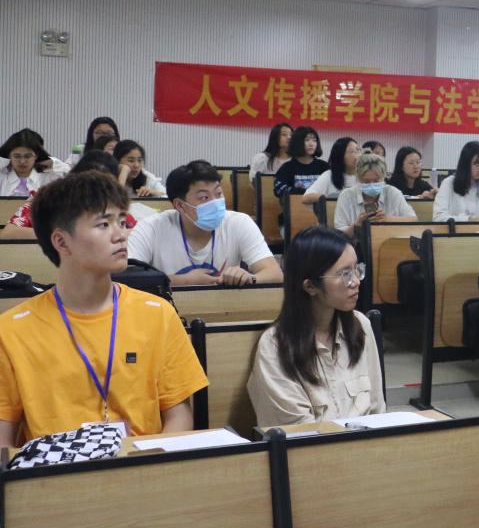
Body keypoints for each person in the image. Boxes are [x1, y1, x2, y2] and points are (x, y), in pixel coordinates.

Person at [0, 172, 208, 445]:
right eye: (103, 224)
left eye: (121, 222)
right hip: (54, 468)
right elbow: (3, 441)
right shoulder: (12, 330)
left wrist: (143, 463)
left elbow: (179, 416)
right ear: (61, 242)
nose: (121, 235)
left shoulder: (158, 313)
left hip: (142, 463)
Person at [247, 226, 385, 426]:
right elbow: (299, 432)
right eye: (345, 274)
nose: (356, 281)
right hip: (317, 445)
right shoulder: (275, 346)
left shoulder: (360, 325)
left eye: (357, 269)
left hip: (367, 441)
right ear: (310, 286)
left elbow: (377, 408)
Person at [128, 160, 281, 288]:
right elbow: (128, 278)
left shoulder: (239, 222)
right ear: (179, 205)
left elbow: (275, 273)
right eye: (204, 198)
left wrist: (250, 278)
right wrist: (184, 281)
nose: (215, 202)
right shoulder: (151, 228)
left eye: (218, 194)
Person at [2, 151, 142, 241]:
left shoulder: (112, 209)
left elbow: (140, 233)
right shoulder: (45, 201)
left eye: (104, 186)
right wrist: (64, 236)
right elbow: (7, 233)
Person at [332, 153, 415, 237]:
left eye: (376, 181)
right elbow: (338, 233)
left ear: (383, 177)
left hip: (389, 241)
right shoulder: (346, 196)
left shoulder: (393, 192)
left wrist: (388, 219)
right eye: (366, 182)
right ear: (358, 179)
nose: (372, 185)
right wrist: (357, 226)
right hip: (355, 243)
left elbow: (413, 220)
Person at [433, 141, 479, 222]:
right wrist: (468, 219)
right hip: (453, 230)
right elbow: (438, 218)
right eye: (477, 164)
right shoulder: (448, 183)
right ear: (465, 163)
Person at [0, 129, 65, 195]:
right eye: (17, 156)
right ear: (9, 156)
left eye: (28, 156)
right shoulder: (2, 177)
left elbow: (68, 176)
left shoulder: (48, 178)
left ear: (36, 156)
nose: (22, 161)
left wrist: (53, 162)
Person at [302, 136, 359, 206]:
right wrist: (329, 199)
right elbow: (305, 198)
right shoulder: (329, 175)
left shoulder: (364, 175)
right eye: (352, 151)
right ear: (340, 155)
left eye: (358, 150)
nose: (357, 155)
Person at [272, 126, 328, 196]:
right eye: (307, 140)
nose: (311, 144)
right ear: (297, 142)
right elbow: (279, 190)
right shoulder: (287, 167)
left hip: (319, 202)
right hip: (296, 202)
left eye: (314, 140)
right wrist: (305, 192)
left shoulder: (324, 167)